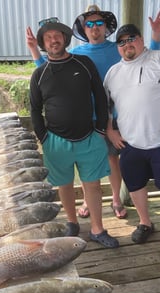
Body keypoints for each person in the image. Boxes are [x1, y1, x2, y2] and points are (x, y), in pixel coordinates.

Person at [26, 5, 160, 220]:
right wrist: (35, 49)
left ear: (106, 27)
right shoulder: (76, 54)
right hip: (87, 120)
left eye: (99, 23)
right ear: (83, 29)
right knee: (86, 164)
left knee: (114, 160)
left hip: (119, 116)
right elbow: (49, 70)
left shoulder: (117, 48)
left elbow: (144, 56)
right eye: (89, 24)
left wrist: (156, 35)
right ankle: (87, 201)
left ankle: (118, 200)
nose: (94, 28)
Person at [104, 24, 160, 259]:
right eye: (122, 42)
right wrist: (111, 132)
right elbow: (104, 106)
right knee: (135, 186)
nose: (127, 45)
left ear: (142, 39)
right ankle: (145, 223)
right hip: (131, 144)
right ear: (118, 47)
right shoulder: (113, 73)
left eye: (131, 38)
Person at [29, 19, 118, 248]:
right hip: (55, 141)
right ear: (42, 43)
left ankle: (98, 229)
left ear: (65, 38)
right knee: (64, 185)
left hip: (90, 136)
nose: (53, 40)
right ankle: (72, 222)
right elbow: (34, 110)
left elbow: (100, 96)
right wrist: (44, 138)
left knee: (94, 185)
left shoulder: (84, 63)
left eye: (57, 35)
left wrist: (100, 129)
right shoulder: (39, 74)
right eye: (47, 37)